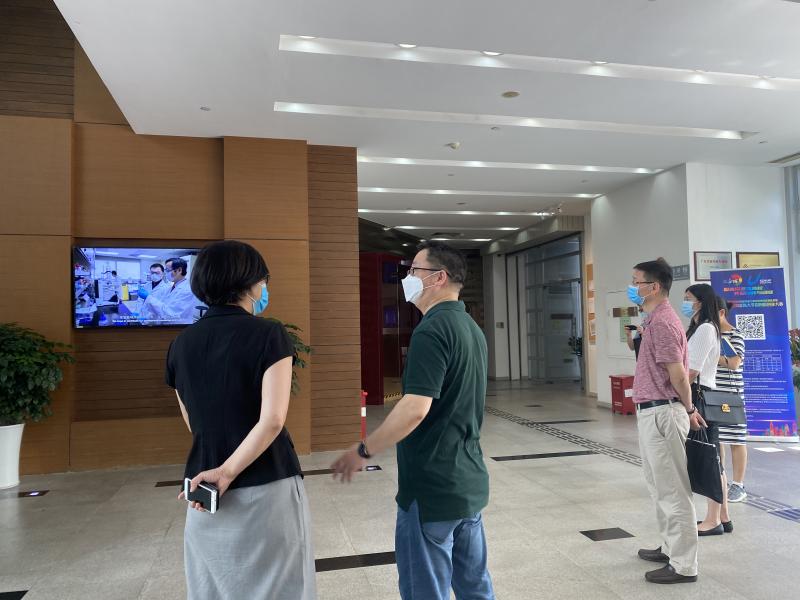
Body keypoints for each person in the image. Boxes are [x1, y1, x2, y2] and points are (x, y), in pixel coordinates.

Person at [331, 241, 494, 600]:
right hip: (466, 481)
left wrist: (363, 449)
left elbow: (415, 408)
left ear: (438, 278)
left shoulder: (432, 330)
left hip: (432, 486)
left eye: (413, 271)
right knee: (475, 588)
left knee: (425, 589)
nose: (407, 278)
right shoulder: (470, 328)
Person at [166, 240, 316, 600]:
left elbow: (196, 423)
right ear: (249, 283)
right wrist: (229, 471)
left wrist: (219, 471)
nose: (265, 288)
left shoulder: (180, 344)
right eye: (263, 280)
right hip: (266, 486)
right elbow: (272, 420)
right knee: (281, 588)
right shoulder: (268, 335)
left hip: (204, 492)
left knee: (215, 588)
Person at [629, 258, 705, 585]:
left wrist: (688, 409)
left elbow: (678, 375)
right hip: (651, 410)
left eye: (637, 282)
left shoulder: (664, 322)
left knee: (674, 490)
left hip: (664, 411)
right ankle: (670, 547)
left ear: (654, 287)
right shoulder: (653, 319)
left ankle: (685, 564)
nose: (633, 288)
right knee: (660, 486)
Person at [683, 284, 725, 536]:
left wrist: (676, 392)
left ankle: (713, 520)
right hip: (701, 395)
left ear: (701, 301)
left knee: (709, 458)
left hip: (700, 397)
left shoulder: (707, 328)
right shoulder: (699, 328)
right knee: (711, 455)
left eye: (688, 299)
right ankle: (722, 516)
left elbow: (691, 371)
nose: (685, 303)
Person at [714, 296, 748, 503]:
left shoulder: (735, 335)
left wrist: (711, 355)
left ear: (721, 312)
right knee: (717, 439)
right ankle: (721, 478)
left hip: (732, 394)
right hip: (713, 393)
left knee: (736, 439)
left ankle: (738, 485)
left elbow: (734, 363)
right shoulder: (711, 334)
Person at [147, 257, 202, 324]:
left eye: (168, 270)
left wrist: (148, 298)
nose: (166, 273)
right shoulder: (171, 287)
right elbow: (163, 306)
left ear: (179, 270)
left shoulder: (187, 290)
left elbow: (172, 315)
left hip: (177, 329)